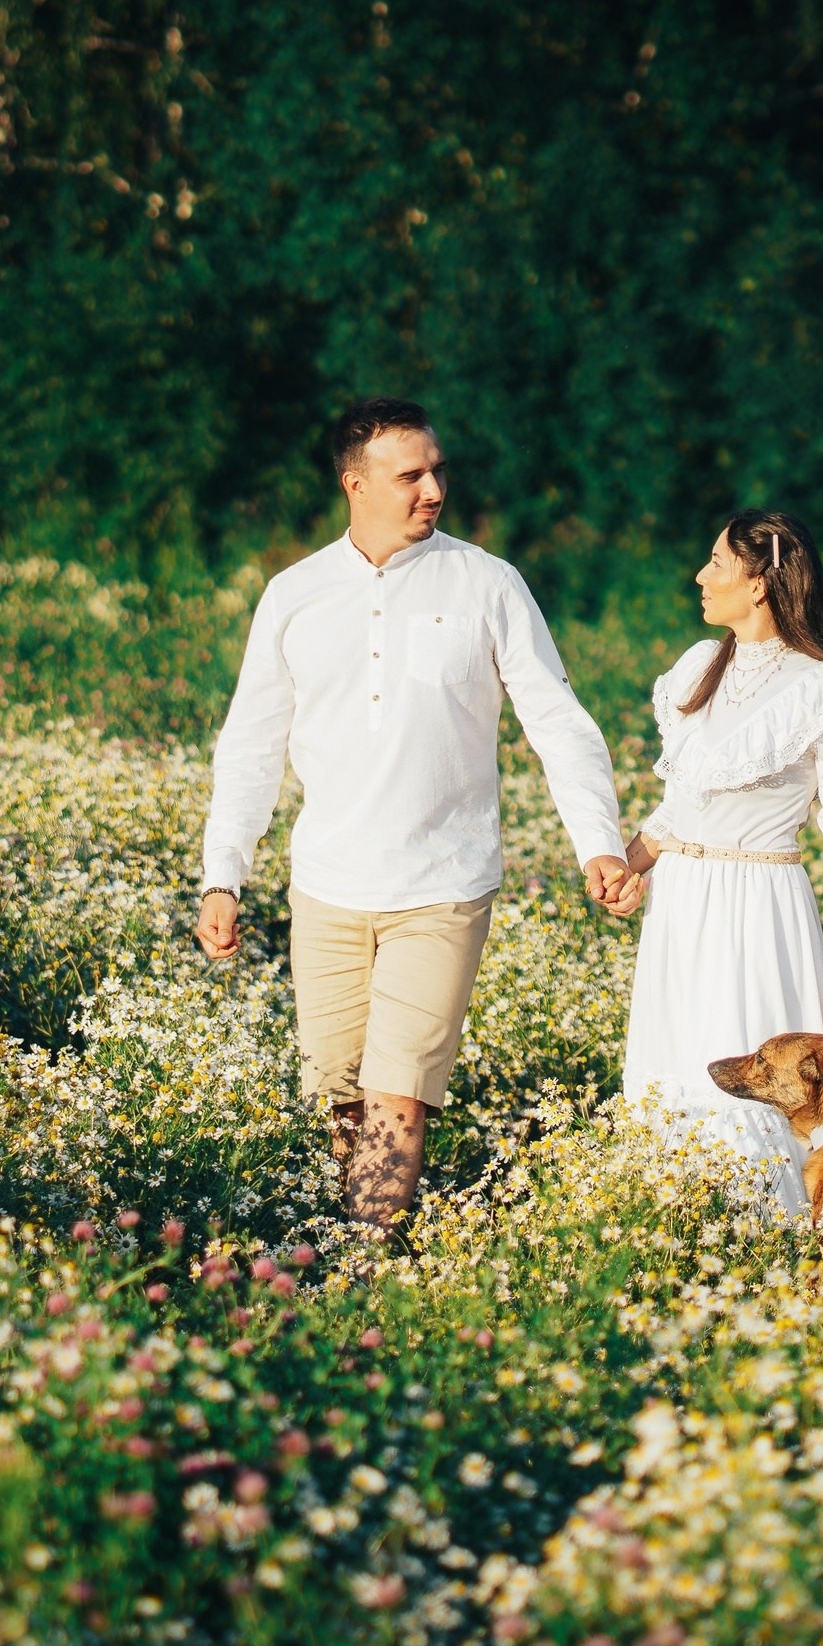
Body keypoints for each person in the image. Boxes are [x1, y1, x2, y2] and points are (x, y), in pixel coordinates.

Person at [193, 397, 637, 1235]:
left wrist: (598, 845)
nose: (434, 489)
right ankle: (367, 1256)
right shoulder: (294, 596)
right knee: (346, 1095)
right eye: (412, 476)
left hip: (444, 884)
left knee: (399, 1094)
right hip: (325, 885)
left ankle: (364, 1264)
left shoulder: (488, 583)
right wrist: (225, 876)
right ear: (356, 485)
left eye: (438, 470)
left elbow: (558, 722)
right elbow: (249, 743)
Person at [616, 509, 823, 1210]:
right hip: (682, 899)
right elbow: (680, 809)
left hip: (759, 904)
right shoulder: (698, 668)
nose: (701, 577)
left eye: (716, 564)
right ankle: (676, 1232)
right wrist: (625, 864)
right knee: (673, 1067)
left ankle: (765, 1241)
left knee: (753, 1077)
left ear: (760, 583)